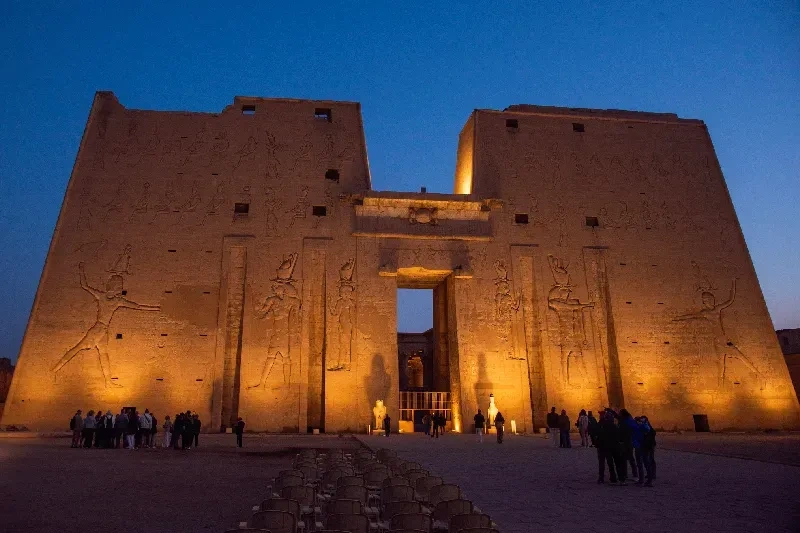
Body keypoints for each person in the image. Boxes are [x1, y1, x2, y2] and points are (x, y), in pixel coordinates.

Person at [596, 410, 619, 484]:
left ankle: (601, 478)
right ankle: (613, 477)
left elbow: (597, 433)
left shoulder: (601, 424)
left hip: (602, 446)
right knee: (610, 462)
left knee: (602, 462)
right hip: (609, 446)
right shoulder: (613, 426)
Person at [617, 409, 638, 482]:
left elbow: (622, 432)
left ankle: (634, 475)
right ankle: (629, 474)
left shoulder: (625, 422)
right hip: (627, 442)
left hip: (627, 442)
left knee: (629, 459)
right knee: (626, 459)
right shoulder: (628, 420)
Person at [640, 415, 656, 486]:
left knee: (649, 460)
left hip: (648, 446)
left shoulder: (647, 427)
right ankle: (651, 475)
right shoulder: (647, 427)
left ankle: (651, 476)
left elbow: (650, 435)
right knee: (649, 460)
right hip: (649, 445)